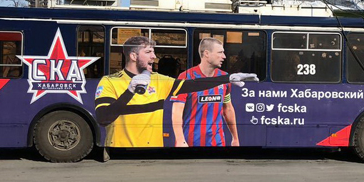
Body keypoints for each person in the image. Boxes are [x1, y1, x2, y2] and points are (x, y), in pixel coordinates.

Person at [95, 36, 256, 147]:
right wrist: (129, 91)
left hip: (153, 153)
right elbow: (103, 118)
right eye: (148, 52)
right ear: (133, 56)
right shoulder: (110, 81)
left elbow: (193, 85)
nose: (154, 56)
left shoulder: (160, 80)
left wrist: (228, 78)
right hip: (121, 150)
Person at [171, 38, 240, 147]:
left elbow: (228, 109)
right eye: (220, 52)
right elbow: (177, 112)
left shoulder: (224, 78)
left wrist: (235, 138)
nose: (224, 56)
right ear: (206, 54)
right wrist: (180, 140)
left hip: (217, 142)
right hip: (190, 142)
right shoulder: (186, 77)